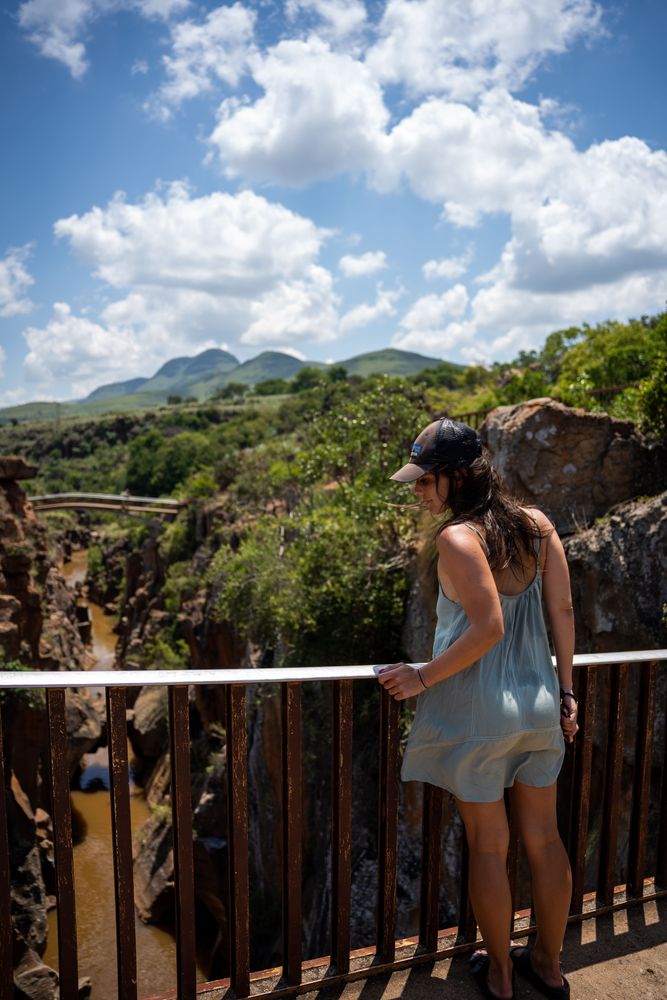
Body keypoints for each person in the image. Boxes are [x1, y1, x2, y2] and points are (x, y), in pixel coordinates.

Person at [378, 418, 578, 1000]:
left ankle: (499, 975)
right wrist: (566, 692)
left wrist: (421, 677)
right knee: (544, 839)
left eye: (425, 480)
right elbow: (562, 611)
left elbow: (488, 627)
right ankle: (549, 965)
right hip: (540, 706)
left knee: (490, 846)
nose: (416, 490)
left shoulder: (457, 539)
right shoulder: (538, 526)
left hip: (478, 712)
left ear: (458, 476)